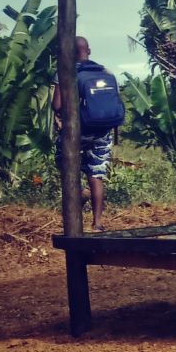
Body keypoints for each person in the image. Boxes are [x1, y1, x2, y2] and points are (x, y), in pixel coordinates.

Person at [53, 36, 124, 232]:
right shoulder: (105, 71)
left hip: (78, 131)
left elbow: (57, 105)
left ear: (70, 52)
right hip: (103, 131)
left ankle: (80, 194)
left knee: (64, 164)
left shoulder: (66, 72)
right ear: (89, 51)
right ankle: (97, 223)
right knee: (96, 175)